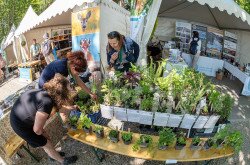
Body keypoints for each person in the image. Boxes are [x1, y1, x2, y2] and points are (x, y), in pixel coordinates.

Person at [10, 74, 78, 164]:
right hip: (21, 126)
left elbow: (58, 107)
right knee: (46, 143)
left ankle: (53, 155)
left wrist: (71, 107)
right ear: (61, 95)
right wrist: (43, 135)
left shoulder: (45, 93)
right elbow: (37, 130)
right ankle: (63, 161)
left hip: (22, 119)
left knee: (46, 139)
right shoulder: (46, 102)